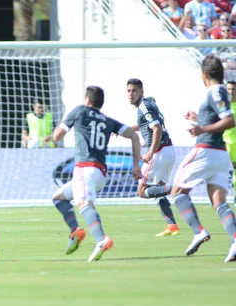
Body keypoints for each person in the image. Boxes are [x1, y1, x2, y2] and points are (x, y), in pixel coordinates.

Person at [51, 86, 142, 262]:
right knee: (58, 197)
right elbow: (134, 136)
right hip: (100, 174)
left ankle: (101, 240)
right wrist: (136, 165)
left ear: (86, 100)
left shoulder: (79, 111)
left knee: (84, 204)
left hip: (85, 169)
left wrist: (59, 128)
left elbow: (57, 136)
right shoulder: (108, 120)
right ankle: (75, 230)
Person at [172, 54, 236, 262]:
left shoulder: (216, 90)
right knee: (219, 201)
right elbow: (221, 118)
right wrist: (198, 119)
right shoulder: (219, 91)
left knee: (178, 192)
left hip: (206, 150)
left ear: (204, 74)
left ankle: (198, 231)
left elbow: (229, 120)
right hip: (220, 154)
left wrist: (201, 128)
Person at [126, 78, 179, 237]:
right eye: (128, 91)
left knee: (142, 190)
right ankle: (172, 225)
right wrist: (125, 129)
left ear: (142, 91)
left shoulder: (144, 106)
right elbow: (145, 125)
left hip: (159, 152)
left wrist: (150, 152)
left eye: (134, 91)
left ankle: (178, 188)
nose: (131, 94)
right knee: (157, 190)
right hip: (168, 150)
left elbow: (156, 128)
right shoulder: (148, 104)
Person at [224, 80, 236, 200]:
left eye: (233, 89)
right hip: (224, 143)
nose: (231, 91)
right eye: (229, 89)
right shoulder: (223, 106)